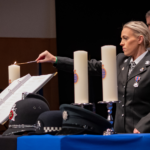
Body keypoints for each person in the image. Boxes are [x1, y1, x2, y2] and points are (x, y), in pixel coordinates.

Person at [36, 21, 150, 134]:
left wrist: (143, 126)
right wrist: (55, 60)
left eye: (125, 38)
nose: (121, 43)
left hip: (143, 134)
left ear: (140, 39)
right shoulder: (121, 61)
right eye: (121, 38)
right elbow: (89, 66)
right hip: (120, 134)